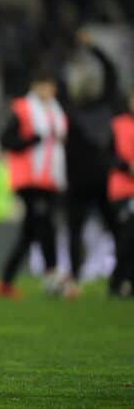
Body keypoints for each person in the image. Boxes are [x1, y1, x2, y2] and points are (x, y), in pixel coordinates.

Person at [0, 70, 67, 299]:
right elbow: (5, 140)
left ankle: (6, 281)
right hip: (29, 179)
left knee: (30, 232)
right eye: (43, 86)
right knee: (45, 224)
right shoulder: (23, 109)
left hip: (49, 179)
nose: (47, 91)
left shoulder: (56, 111)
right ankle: (52, 273)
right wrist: (30, 141)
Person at [60, 42, 120, 297]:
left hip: (81, 182)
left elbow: (110, 74)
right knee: (118, 232)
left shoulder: (70, 112)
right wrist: (93, 49)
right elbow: (111, 73)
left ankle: (76, 279)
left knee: (78, 232)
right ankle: (120, 278)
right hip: (101, 180)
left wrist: (74, 51)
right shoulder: (106, 108)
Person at [107, 89, 134, 297]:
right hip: (123, 189)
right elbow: (107, 155)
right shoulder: (117, 124)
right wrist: (126, 167)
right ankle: (117, 281)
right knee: (126, 237)